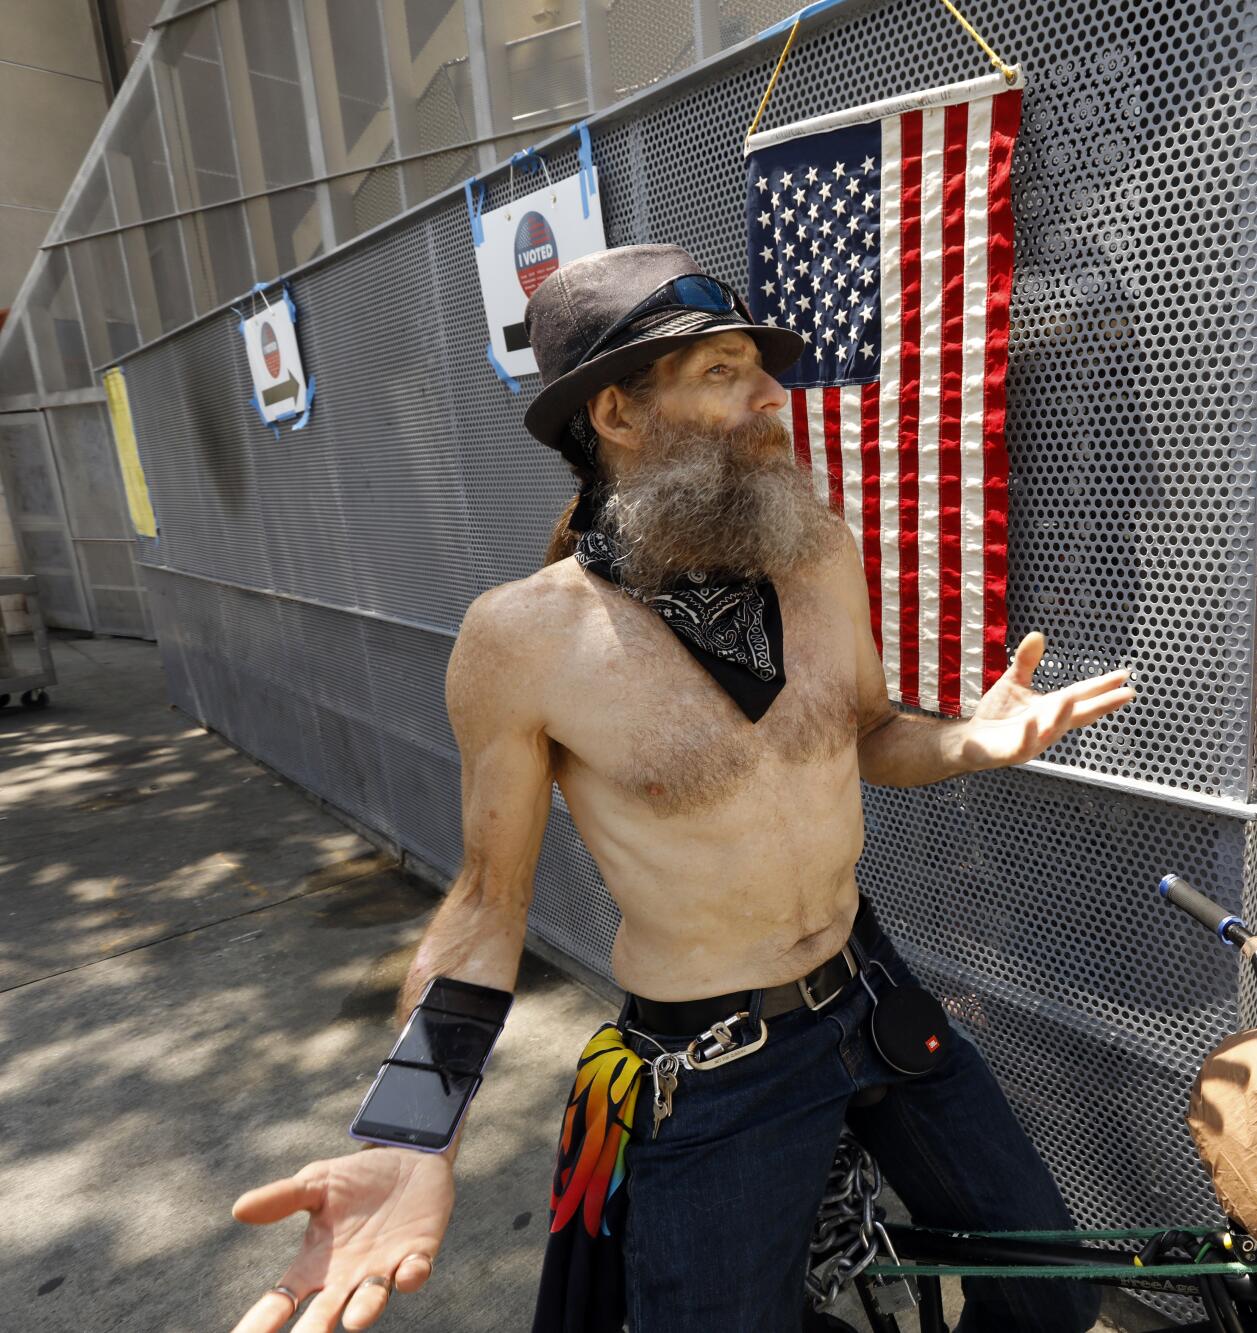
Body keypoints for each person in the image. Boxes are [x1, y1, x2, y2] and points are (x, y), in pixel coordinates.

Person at [226, 244, 1133, 1333]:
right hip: (716, 1064)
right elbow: (483, 910)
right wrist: (409, 1134)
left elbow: (867, 733)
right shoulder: (522, 639)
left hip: (868, 990)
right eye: (722, 374)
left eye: (760, 368)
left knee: (1053, 1290)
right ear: (615, 413)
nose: (771, 396)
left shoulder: (819, 556)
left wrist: (964, 745)